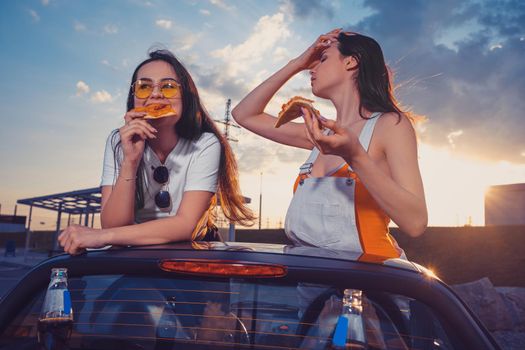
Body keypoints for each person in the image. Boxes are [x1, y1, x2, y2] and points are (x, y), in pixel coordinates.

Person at [232, 29, 427, 259]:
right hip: (312, 282)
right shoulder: (320, 133)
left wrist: (354, 155)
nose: (312, 70)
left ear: (351, 62)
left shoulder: (390, 125)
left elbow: (415, 222)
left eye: (323, 59)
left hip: (370, 284)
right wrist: (297, 63)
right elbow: (244, 114)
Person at [59, 49, 254, 255]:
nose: (155, 94)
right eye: (144, 86)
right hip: (137, 253)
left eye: (168, 87)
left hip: (195, 251)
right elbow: (113, 224)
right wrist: (130, 162)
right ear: (133, 97)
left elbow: (186, 224)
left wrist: (100, 236)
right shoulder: (118, 140)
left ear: (186, 97)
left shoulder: (206, 143)